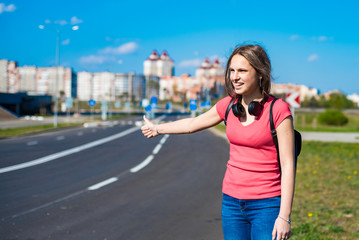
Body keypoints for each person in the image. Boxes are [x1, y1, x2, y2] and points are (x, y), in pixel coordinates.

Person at [141, 44, 296, 240]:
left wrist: (284, 216)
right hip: (232, 203)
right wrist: (157, 129)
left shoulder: (278, 110)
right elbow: (192, 123)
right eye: (231, 70)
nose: (235, 77)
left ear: (259, 74)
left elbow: (289, 166)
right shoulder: (229, 105)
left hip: (266, 204)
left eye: (242, 71)